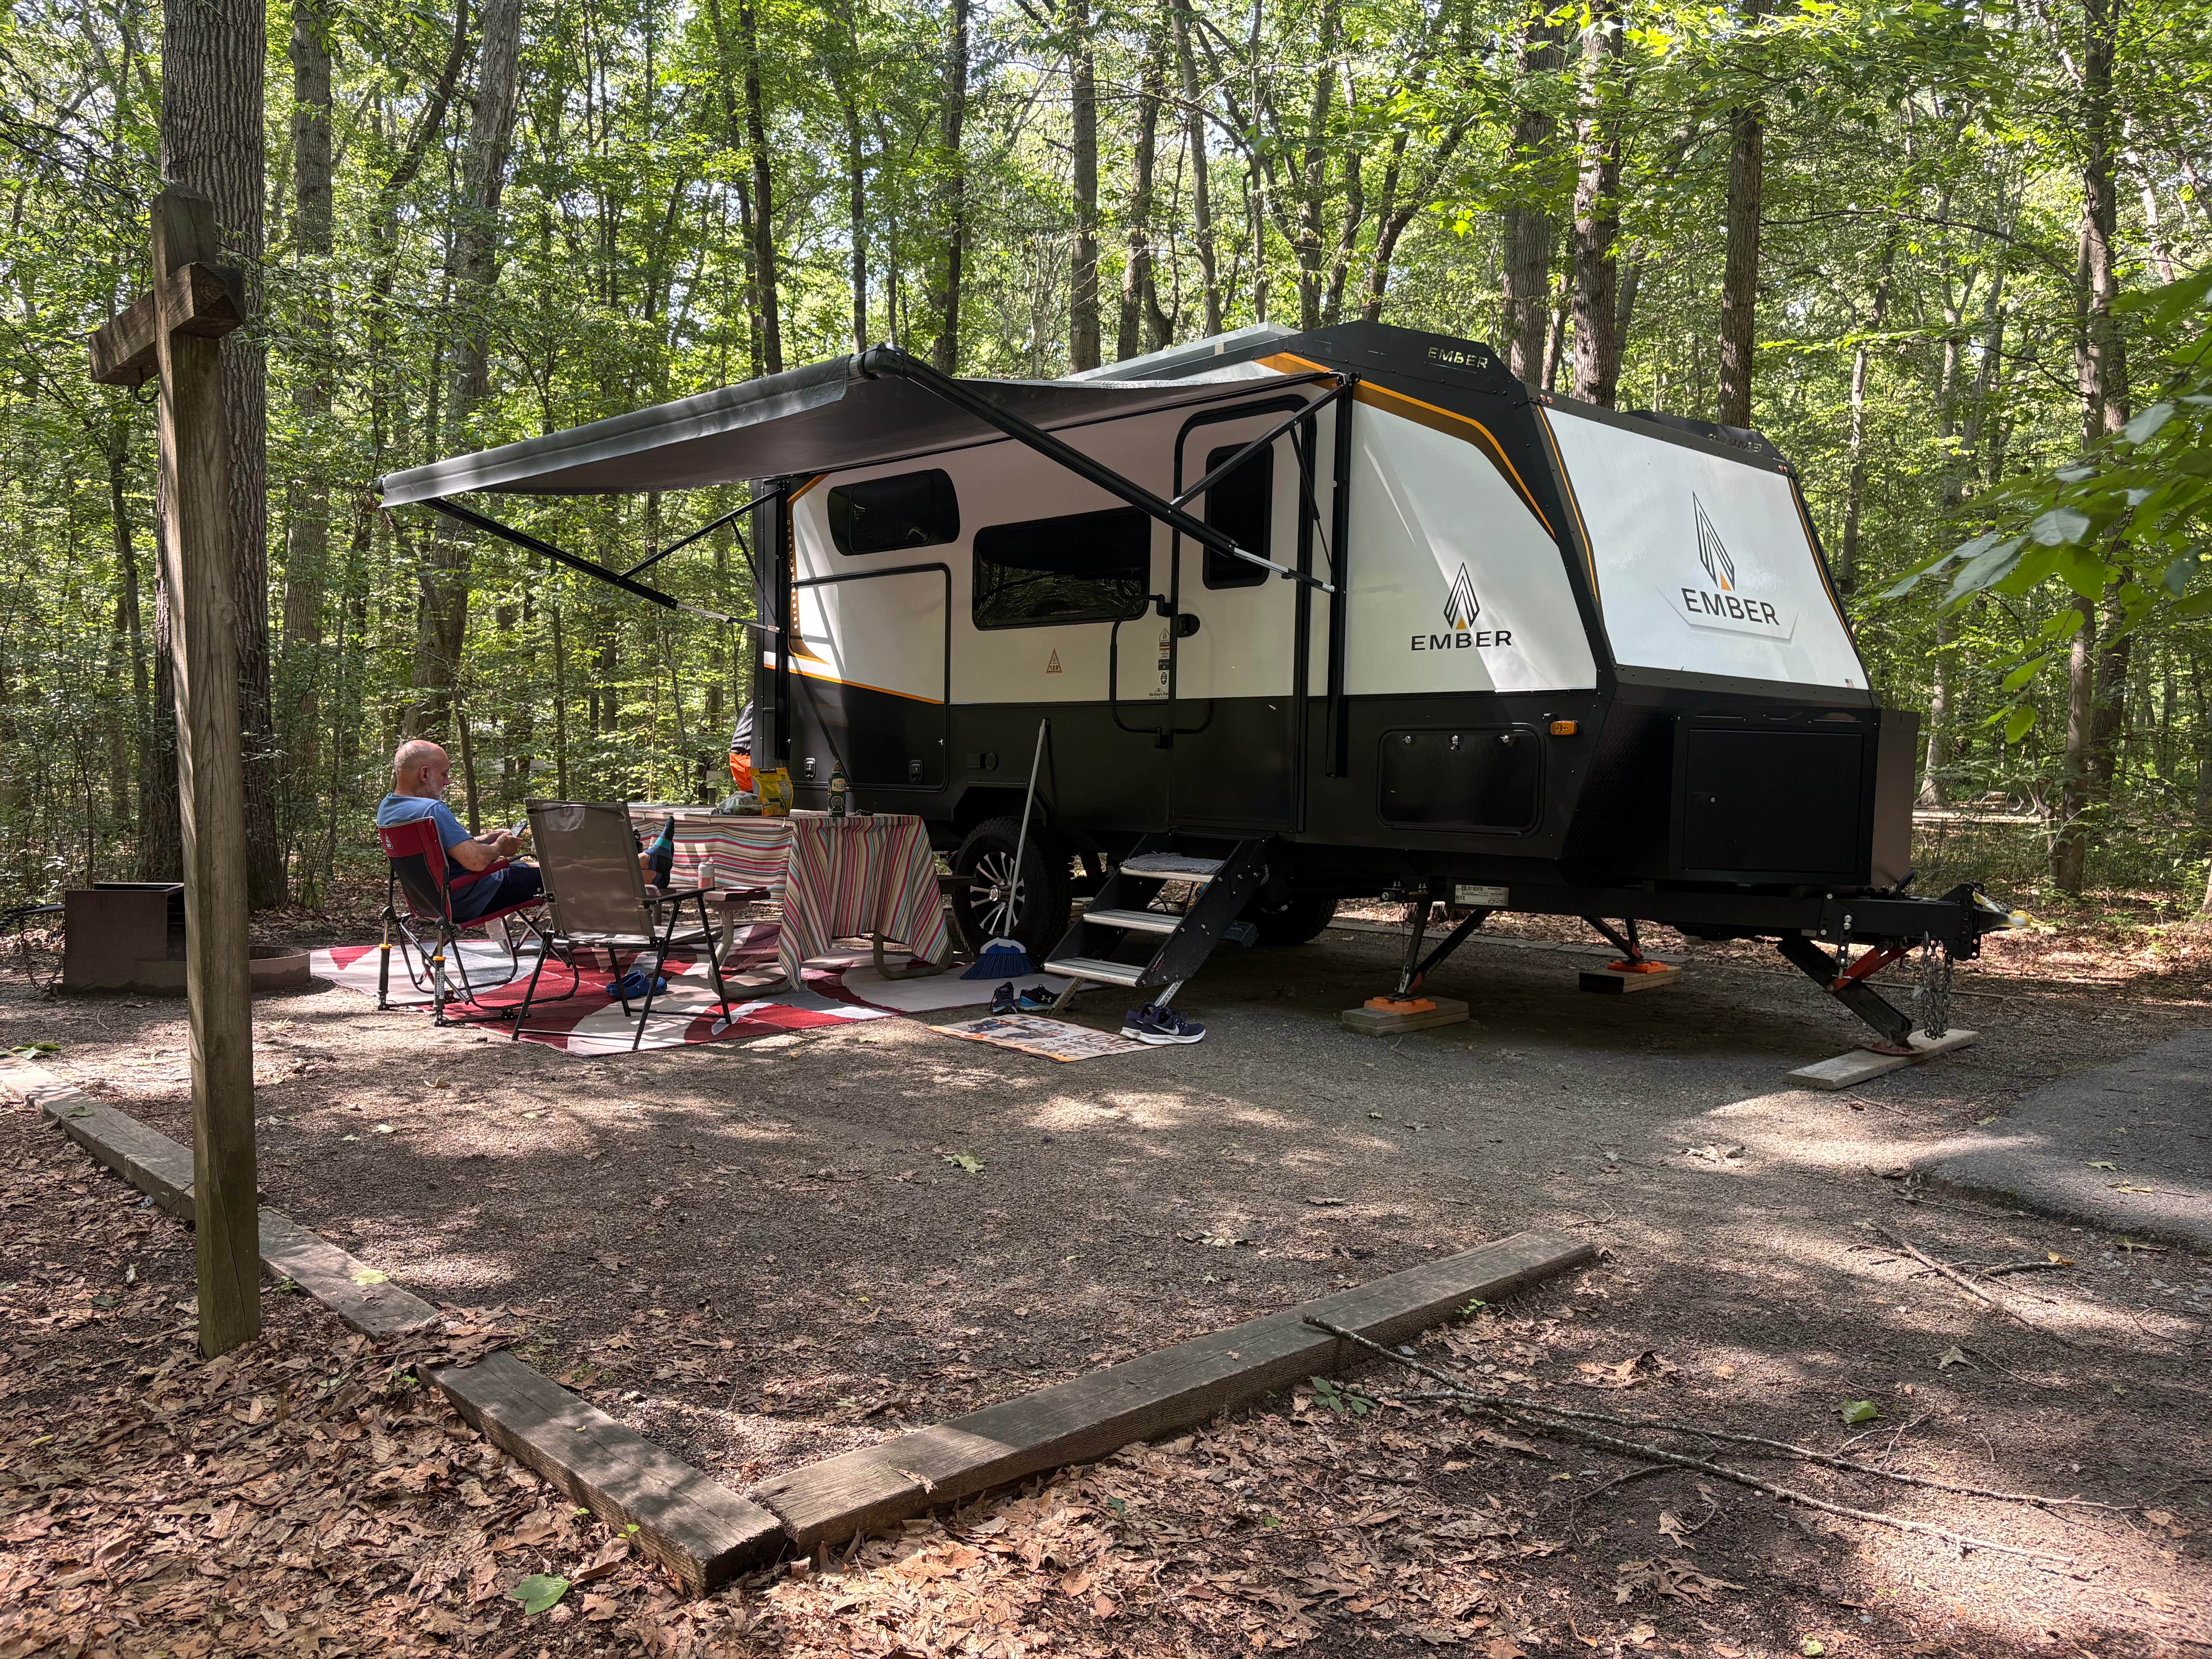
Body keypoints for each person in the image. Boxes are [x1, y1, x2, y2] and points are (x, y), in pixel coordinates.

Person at [377, 740, 545, 922]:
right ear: (424, 774)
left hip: (430, 904)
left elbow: (442, 851)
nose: (448, 782)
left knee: (531, 869)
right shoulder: (431, 810)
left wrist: (484, 839)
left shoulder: (387, 809)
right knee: (558, 876)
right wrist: (500, 847)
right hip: (472, 899)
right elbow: (477, 862)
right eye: (445, 774)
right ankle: (568, 940)